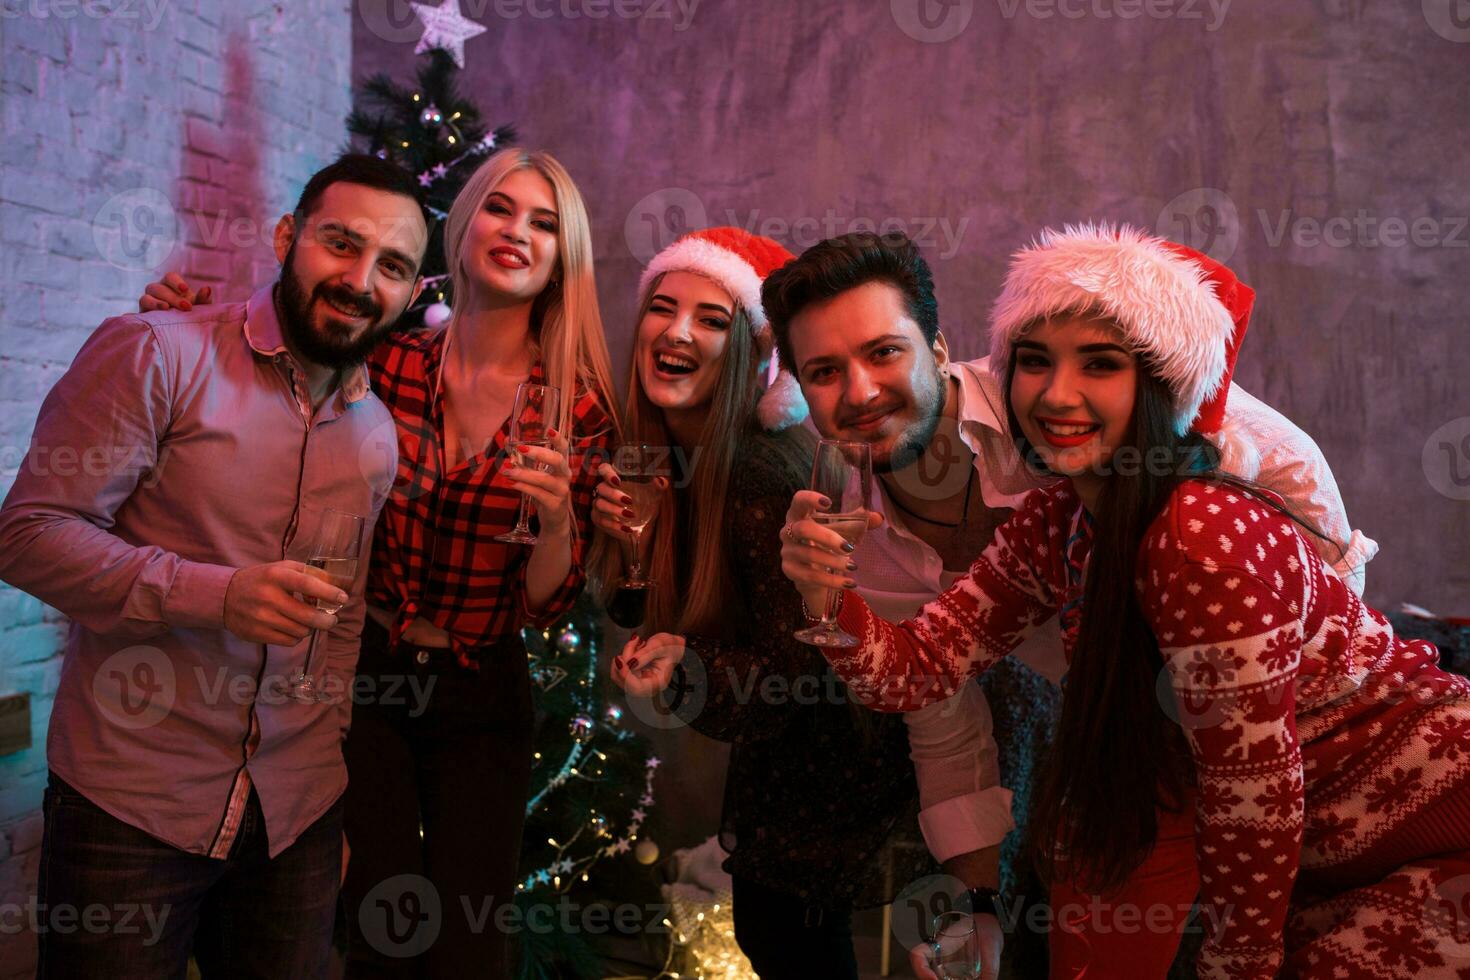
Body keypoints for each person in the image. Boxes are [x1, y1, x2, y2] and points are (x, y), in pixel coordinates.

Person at [629, 228, 1378, 977]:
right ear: (800, 390)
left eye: (884, 352)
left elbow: (1275, 470)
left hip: (1313, 751)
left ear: (941, 348)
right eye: (825, 371)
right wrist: (826, 605)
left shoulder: (1096, 439)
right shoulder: (1005, 522)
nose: (859, 392)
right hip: (1117, 774)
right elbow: (929, 695)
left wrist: (1289, 639)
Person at [135, 147, 619, 979]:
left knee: (469, 946)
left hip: (480, 683)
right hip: (370, 677)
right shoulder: (386, 360)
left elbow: (546, 606)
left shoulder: (577, 404)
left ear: (561, 257)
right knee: (381, 925)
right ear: (461, 229)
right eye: (501, 209)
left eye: (545, 223)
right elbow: (274, 356)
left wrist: (556, 526)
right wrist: (184, 320)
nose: (518, 232)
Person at [0, 154, 430, 978]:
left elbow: (337, 629)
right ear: (285, 238)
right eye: (340, 244)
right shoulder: (157, 353)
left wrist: (326, 789)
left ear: (410, 295)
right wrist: (216, 595)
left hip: (296, 817)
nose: (359, 279)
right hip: (130, 808)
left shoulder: (377, 435)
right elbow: (28, 532)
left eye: (392, 266)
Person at [594, 227, 1002, 978]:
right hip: (812, 798)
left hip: (842, 803)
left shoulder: (760, 472)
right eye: (662, 306)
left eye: (714, 319)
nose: (678, 331)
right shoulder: (670, 464)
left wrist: (688, 672)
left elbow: (797, 677)